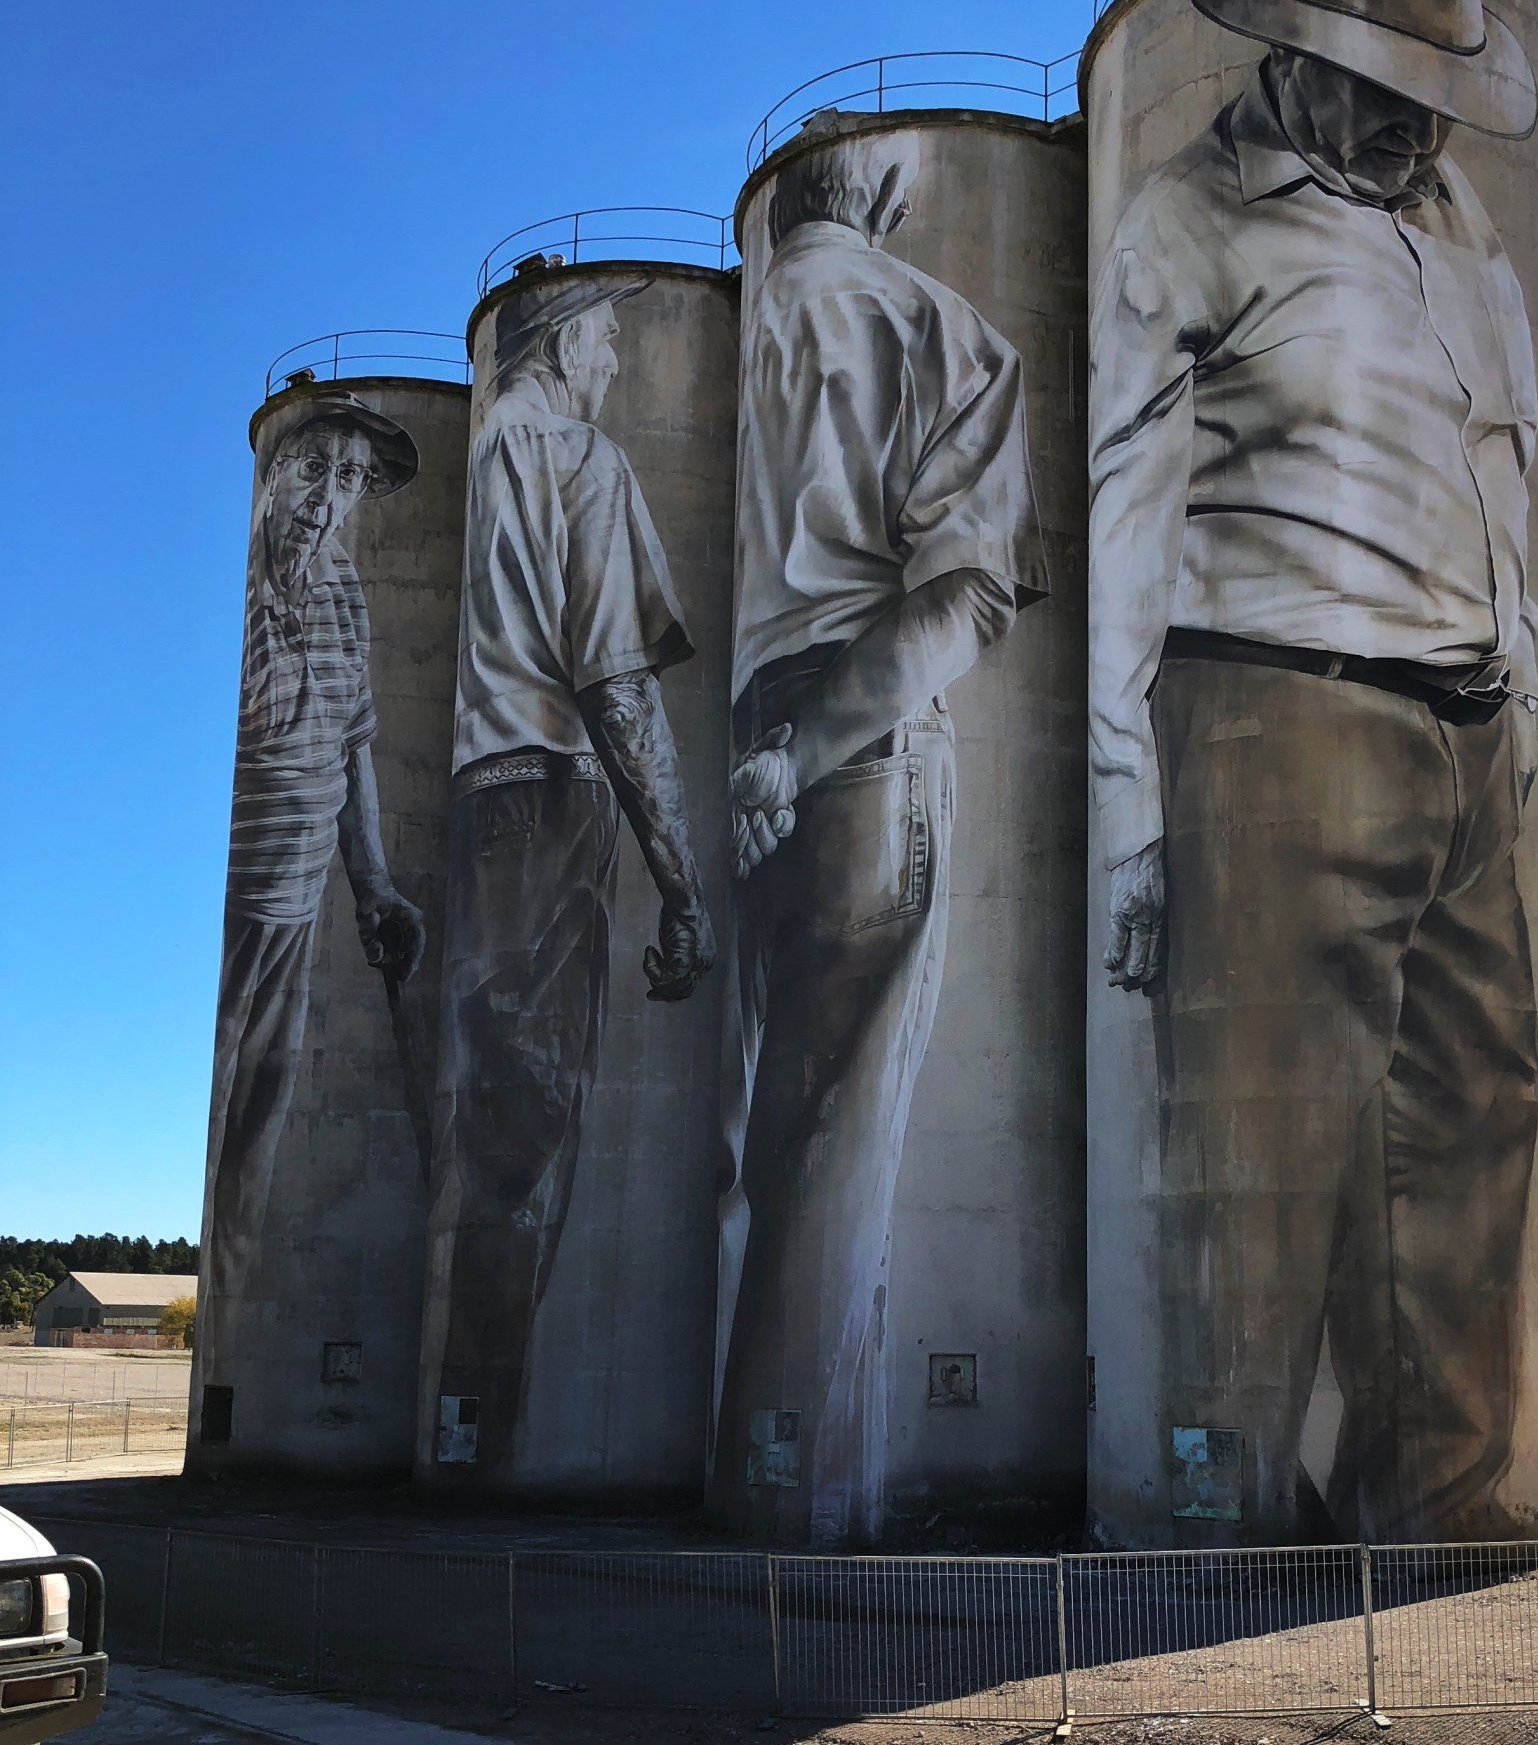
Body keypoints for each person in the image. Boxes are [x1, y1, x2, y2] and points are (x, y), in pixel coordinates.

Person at [1088, 0, 1538, 1543]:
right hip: (1277, 708)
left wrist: (1530, 686)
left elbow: (1500, 464)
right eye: (1388, 91)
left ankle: (1431, 1519)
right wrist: (1131, 812)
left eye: (1438, 96)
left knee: (1471, 1139)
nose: (1420, 126)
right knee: (1259, 1167)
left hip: (1469, 727)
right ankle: (1211, 1531)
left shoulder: (1457, 218)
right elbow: (1125, 514)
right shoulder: (1190, 219)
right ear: (1298, 56)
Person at [710, 132, 1046, 1547]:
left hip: (750, 750)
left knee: (760, 1148)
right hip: (855, 742)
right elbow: (962, 599)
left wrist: (763, 756)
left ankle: (752, 1475)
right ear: (896, 200)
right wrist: (815, 748)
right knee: (834, 1157)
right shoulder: (935, 326)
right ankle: (807, 1505)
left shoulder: (747, 330)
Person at [429, 273, 714, 1477]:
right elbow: (617, 681)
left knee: (488, 1122)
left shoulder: (490, 444)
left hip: (477, 797)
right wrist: (683, 878)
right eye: (607, 331)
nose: (619, 353)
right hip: (554, 800)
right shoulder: (579, 454)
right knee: (537, 1132)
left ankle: (459, 1422)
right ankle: (494, 1434)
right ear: (556, 343)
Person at [201, 397, 425, 1383]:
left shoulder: (339, 584)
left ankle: (244, 1330)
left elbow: (351, 743)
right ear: (272, 477)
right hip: (254, 892)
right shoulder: (263, 582)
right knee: (235, 1111)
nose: (326, 496)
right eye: (310, 469)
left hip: (304, 895)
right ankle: (236, 1348)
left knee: (263, 1112)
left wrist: (374, 885)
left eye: (346, 479)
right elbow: (283, 719)